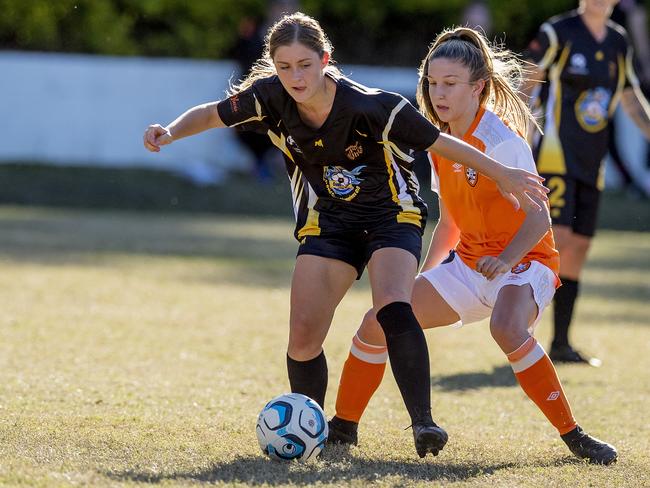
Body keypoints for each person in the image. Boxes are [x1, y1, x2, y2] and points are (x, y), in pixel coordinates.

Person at [143, 13, 547, 458]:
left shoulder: (372, 106)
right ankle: (313, 430)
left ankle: (424, 424)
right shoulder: (268, 98)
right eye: (284, 67)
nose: (295, 76)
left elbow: (439, 142)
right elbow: (211, 114)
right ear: (273, 67)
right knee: (302, 337)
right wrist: (171, 131)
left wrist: (503, 173)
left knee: (393, 307)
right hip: (330, 222)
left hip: (392, 215)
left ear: (325, 60)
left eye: (304, 65)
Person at [328, 27, 618, 465]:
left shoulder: (502, 142)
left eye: (450, 84)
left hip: (524, 264)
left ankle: (574, 435)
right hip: (469, 266)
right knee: (379, 320)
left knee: (506, 328)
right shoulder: (437, 140)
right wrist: (422, 275)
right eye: (432, 83)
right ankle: (343, 428)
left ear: (477, 86)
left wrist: (504, 260)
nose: (438, 93)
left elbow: (540, 218)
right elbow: (449, 219)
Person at [523, 0, 650, 364]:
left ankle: (561, 343)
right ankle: (521, 335)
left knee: (579, 246)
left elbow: (631, 98)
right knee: (557, 239)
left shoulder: (618, 40)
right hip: (553, 155)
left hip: (592, 161)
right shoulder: (556, 32)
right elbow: (525, 86)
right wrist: (514, 139)